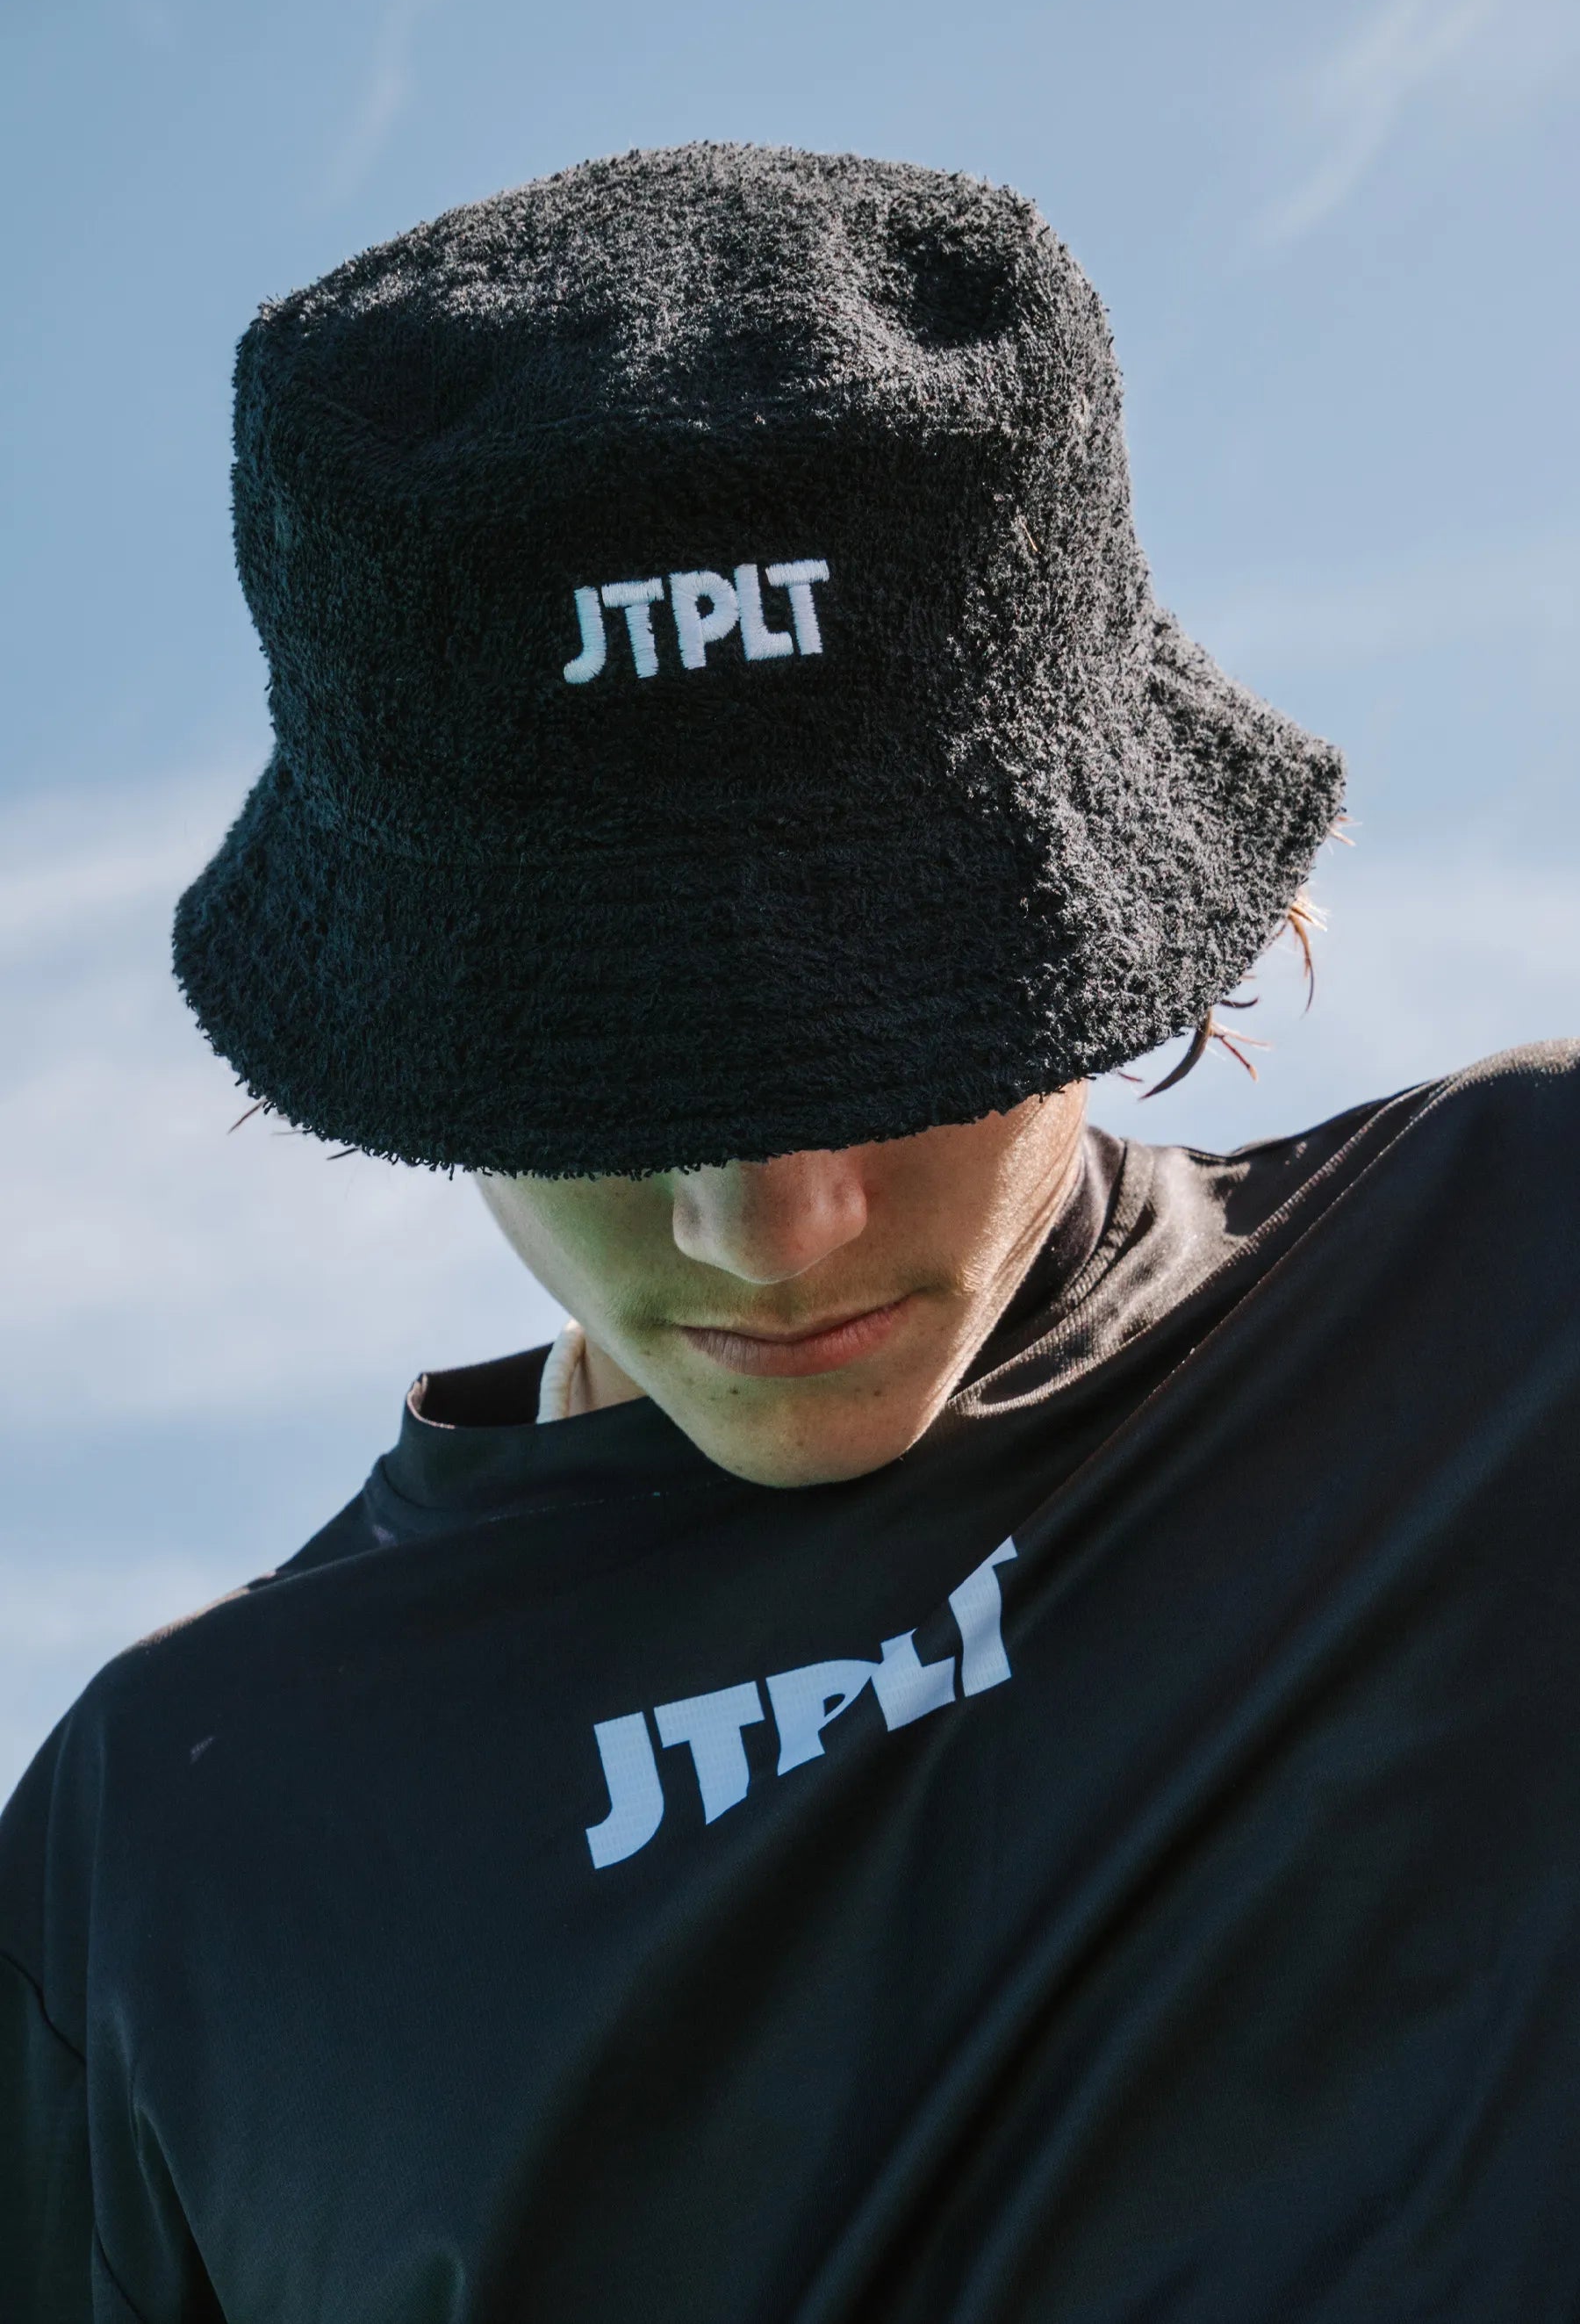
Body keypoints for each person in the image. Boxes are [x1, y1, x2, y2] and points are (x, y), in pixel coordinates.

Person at [3, 143, 1576, 2323]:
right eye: (615, 1076)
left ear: (1113, 931)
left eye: (894, 1036)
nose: (769, 1226)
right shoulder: (163, 1857)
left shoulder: (1533, 1285)